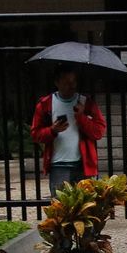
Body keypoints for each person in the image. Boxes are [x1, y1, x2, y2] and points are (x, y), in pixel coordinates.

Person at [31, 65, 107, 197]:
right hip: (58, 165)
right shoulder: (45, 104)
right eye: (66, 82)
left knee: (87, 209)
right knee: (61, 209)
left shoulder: (86, 103)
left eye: (73, 82)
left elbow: (98, 132)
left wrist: (81, 117)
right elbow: (35, 135)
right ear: (57, 83)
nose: (71, 86)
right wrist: (52, 130)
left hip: (84, 165)